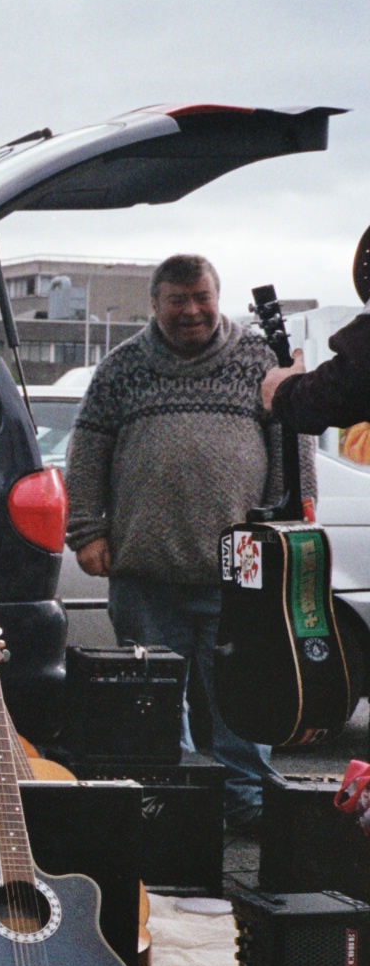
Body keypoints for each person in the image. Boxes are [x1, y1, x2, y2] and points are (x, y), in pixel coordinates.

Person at [66, 253, 317, 830]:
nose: (191, 311)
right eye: (177, 299)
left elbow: (292, 449)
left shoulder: (259, 360)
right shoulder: (121, 367)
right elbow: (86, 455)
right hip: (145, 572)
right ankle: (173, 811)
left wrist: (289, 527)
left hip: (242, 574)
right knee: (154, 707)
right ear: (155, 304)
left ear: (217, 296)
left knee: (244, 699)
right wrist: (88, 529)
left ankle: (245, 804)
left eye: (201, 297)